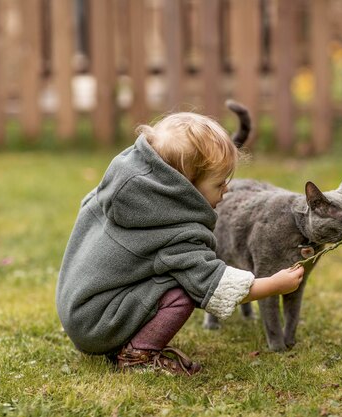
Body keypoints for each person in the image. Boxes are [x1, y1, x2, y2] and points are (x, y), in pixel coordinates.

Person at [56, 112, 304, 376]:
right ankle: (138, 355)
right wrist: (275, 284)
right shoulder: (173, 230)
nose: (227, 191)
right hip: (98, 326)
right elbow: (214, 285)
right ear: (185, 188)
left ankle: (121, 337)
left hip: (80, 309)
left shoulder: (123, 192)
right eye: (220, 183)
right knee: (184, 289)